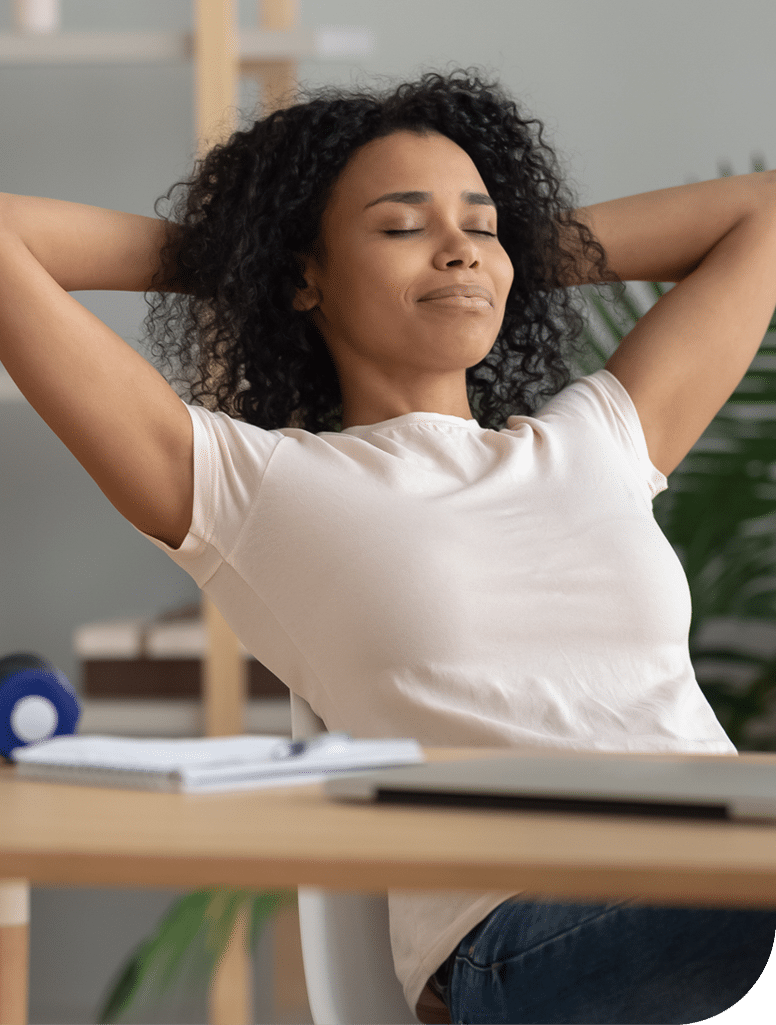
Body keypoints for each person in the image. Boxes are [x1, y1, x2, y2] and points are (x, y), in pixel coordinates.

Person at [1, 67, 776, 1025]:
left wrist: (498, 255)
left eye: (484, 226)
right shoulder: (254, 487)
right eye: (405, 226)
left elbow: (765, 211)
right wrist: (249, 255)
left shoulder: (598, 442)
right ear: (305, 275)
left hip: (736, 867)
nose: (460, 251)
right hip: (524, 931)